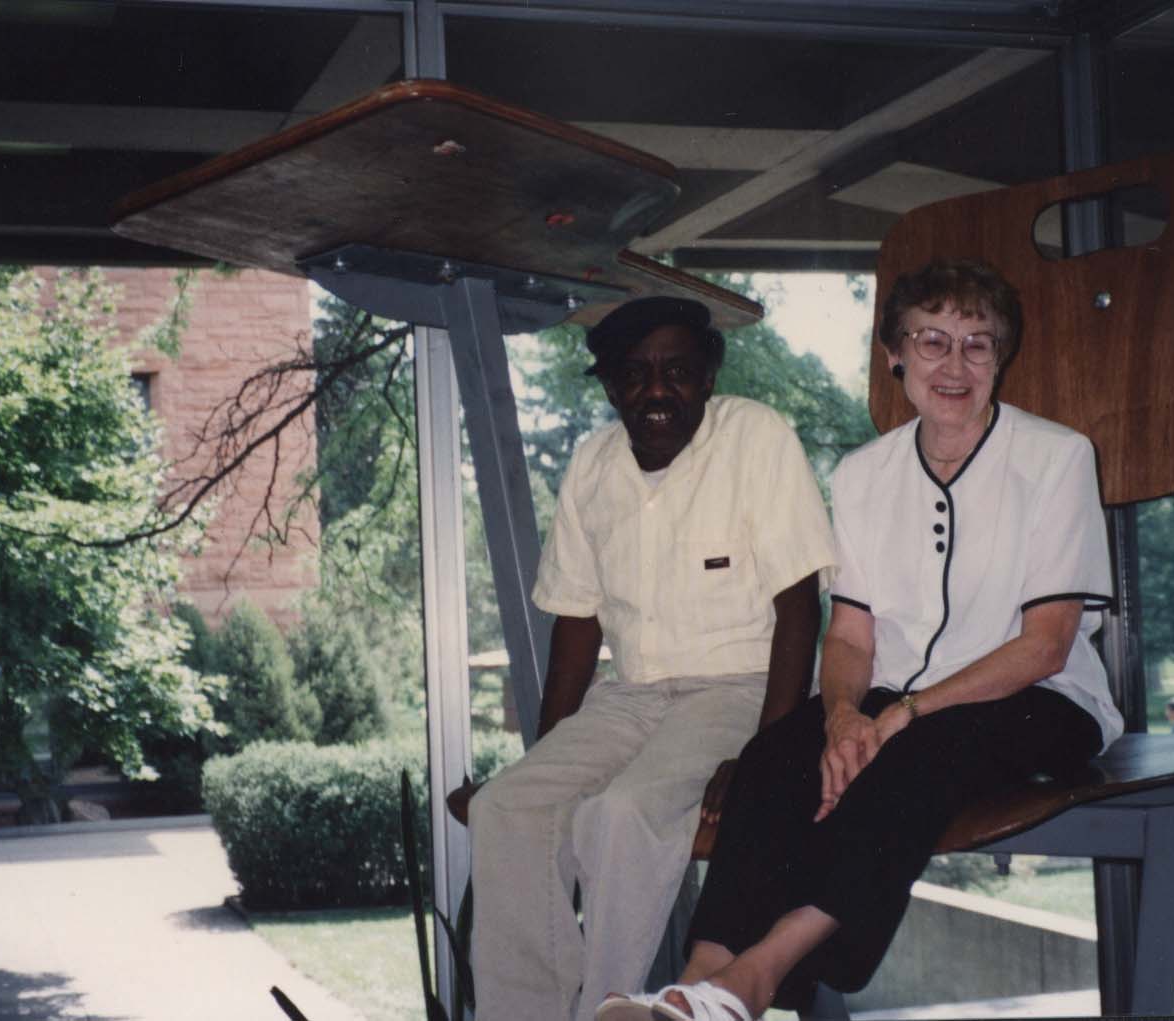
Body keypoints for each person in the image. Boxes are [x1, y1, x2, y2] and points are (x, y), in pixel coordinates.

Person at [600, 260, 1125, 1021]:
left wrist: (903, 713)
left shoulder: (1055, 456)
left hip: (1039, 700)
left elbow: (1044, 644)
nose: (953, 364)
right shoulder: (863, 474)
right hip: (891, 701)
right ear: (894, 355)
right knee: (774, 756)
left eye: (976, 345)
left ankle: (753, 980)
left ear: (999, 359)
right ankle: (695, 982)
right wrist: (843, 713)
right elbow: (849, 633)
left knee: (910, 758)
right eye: (931, 340)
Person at [468, 295, 838, 1021]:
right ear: (609, 387)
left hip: (742, 685)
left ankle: (608, 1010)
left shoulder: (755, 439)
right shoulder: (591, 466)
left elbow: (800, 608)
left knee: (621, 811)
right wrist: (548, 759)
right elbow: (576, 628)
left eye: (676, 371)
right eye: (634, 375)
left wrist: (767, 755)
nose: (656, 390)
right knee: (505, 804)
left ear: (706, 377)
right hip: (629, 694)